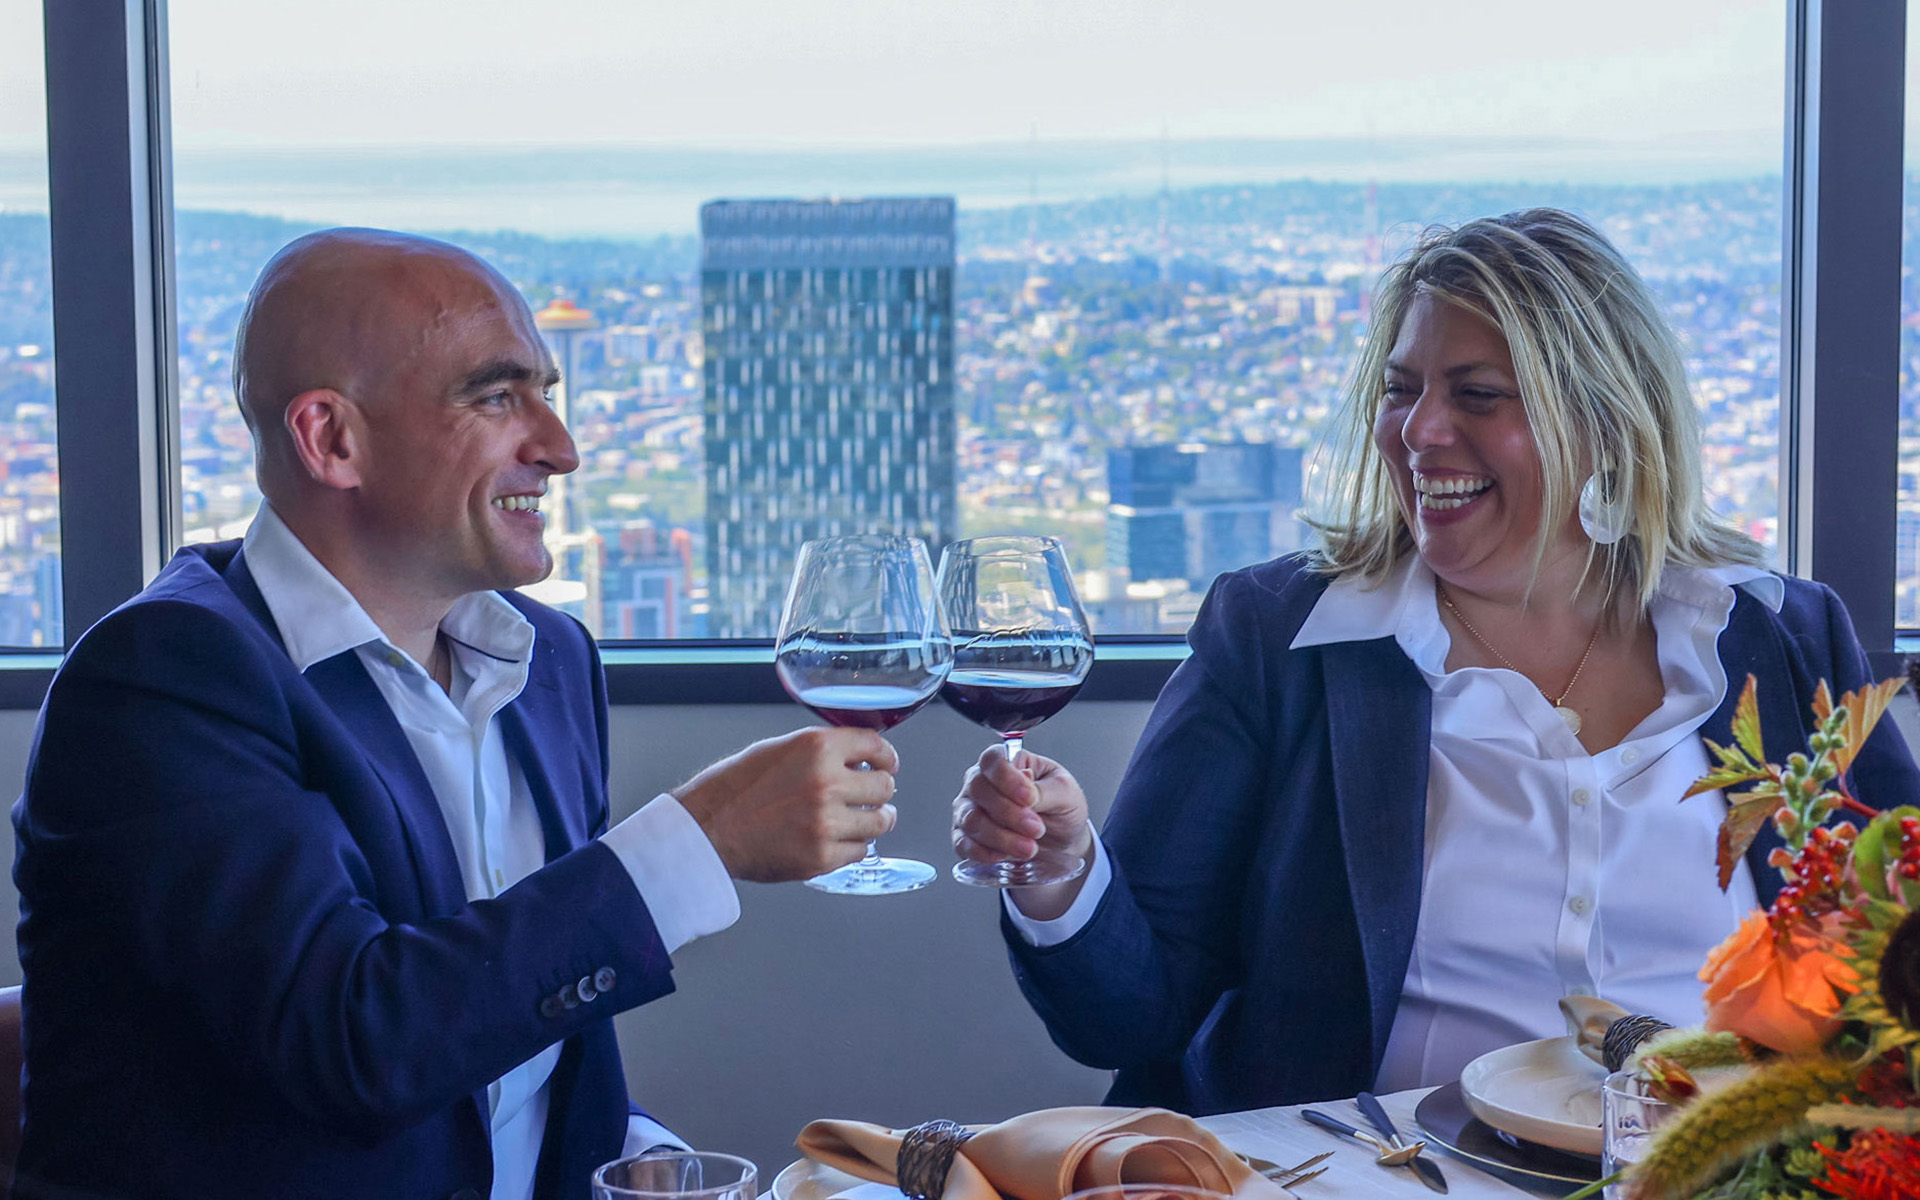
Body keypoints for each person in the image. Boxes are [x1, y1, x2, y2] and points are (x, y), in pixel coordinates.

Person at [952, 208, 1920, 1114]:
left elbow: (1898, 951)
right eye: (1400, 390)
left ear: (1605, 424)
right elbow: (1130, 1018)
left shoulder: (1781, 638)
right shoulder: (1279, 641)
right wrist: (1063, 872)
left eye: (1477, 395)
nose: (1418, 432)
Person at [11, 229, 901, 1200]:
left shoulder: (549, 660)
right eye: (496, 397)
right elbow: (353, 1044)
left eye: (546, 394)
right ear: (331, 440)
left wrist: (635, 1150)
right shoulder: (163, 680)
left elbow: (511, 1024)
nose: (560, 449)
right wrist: (701, 838)